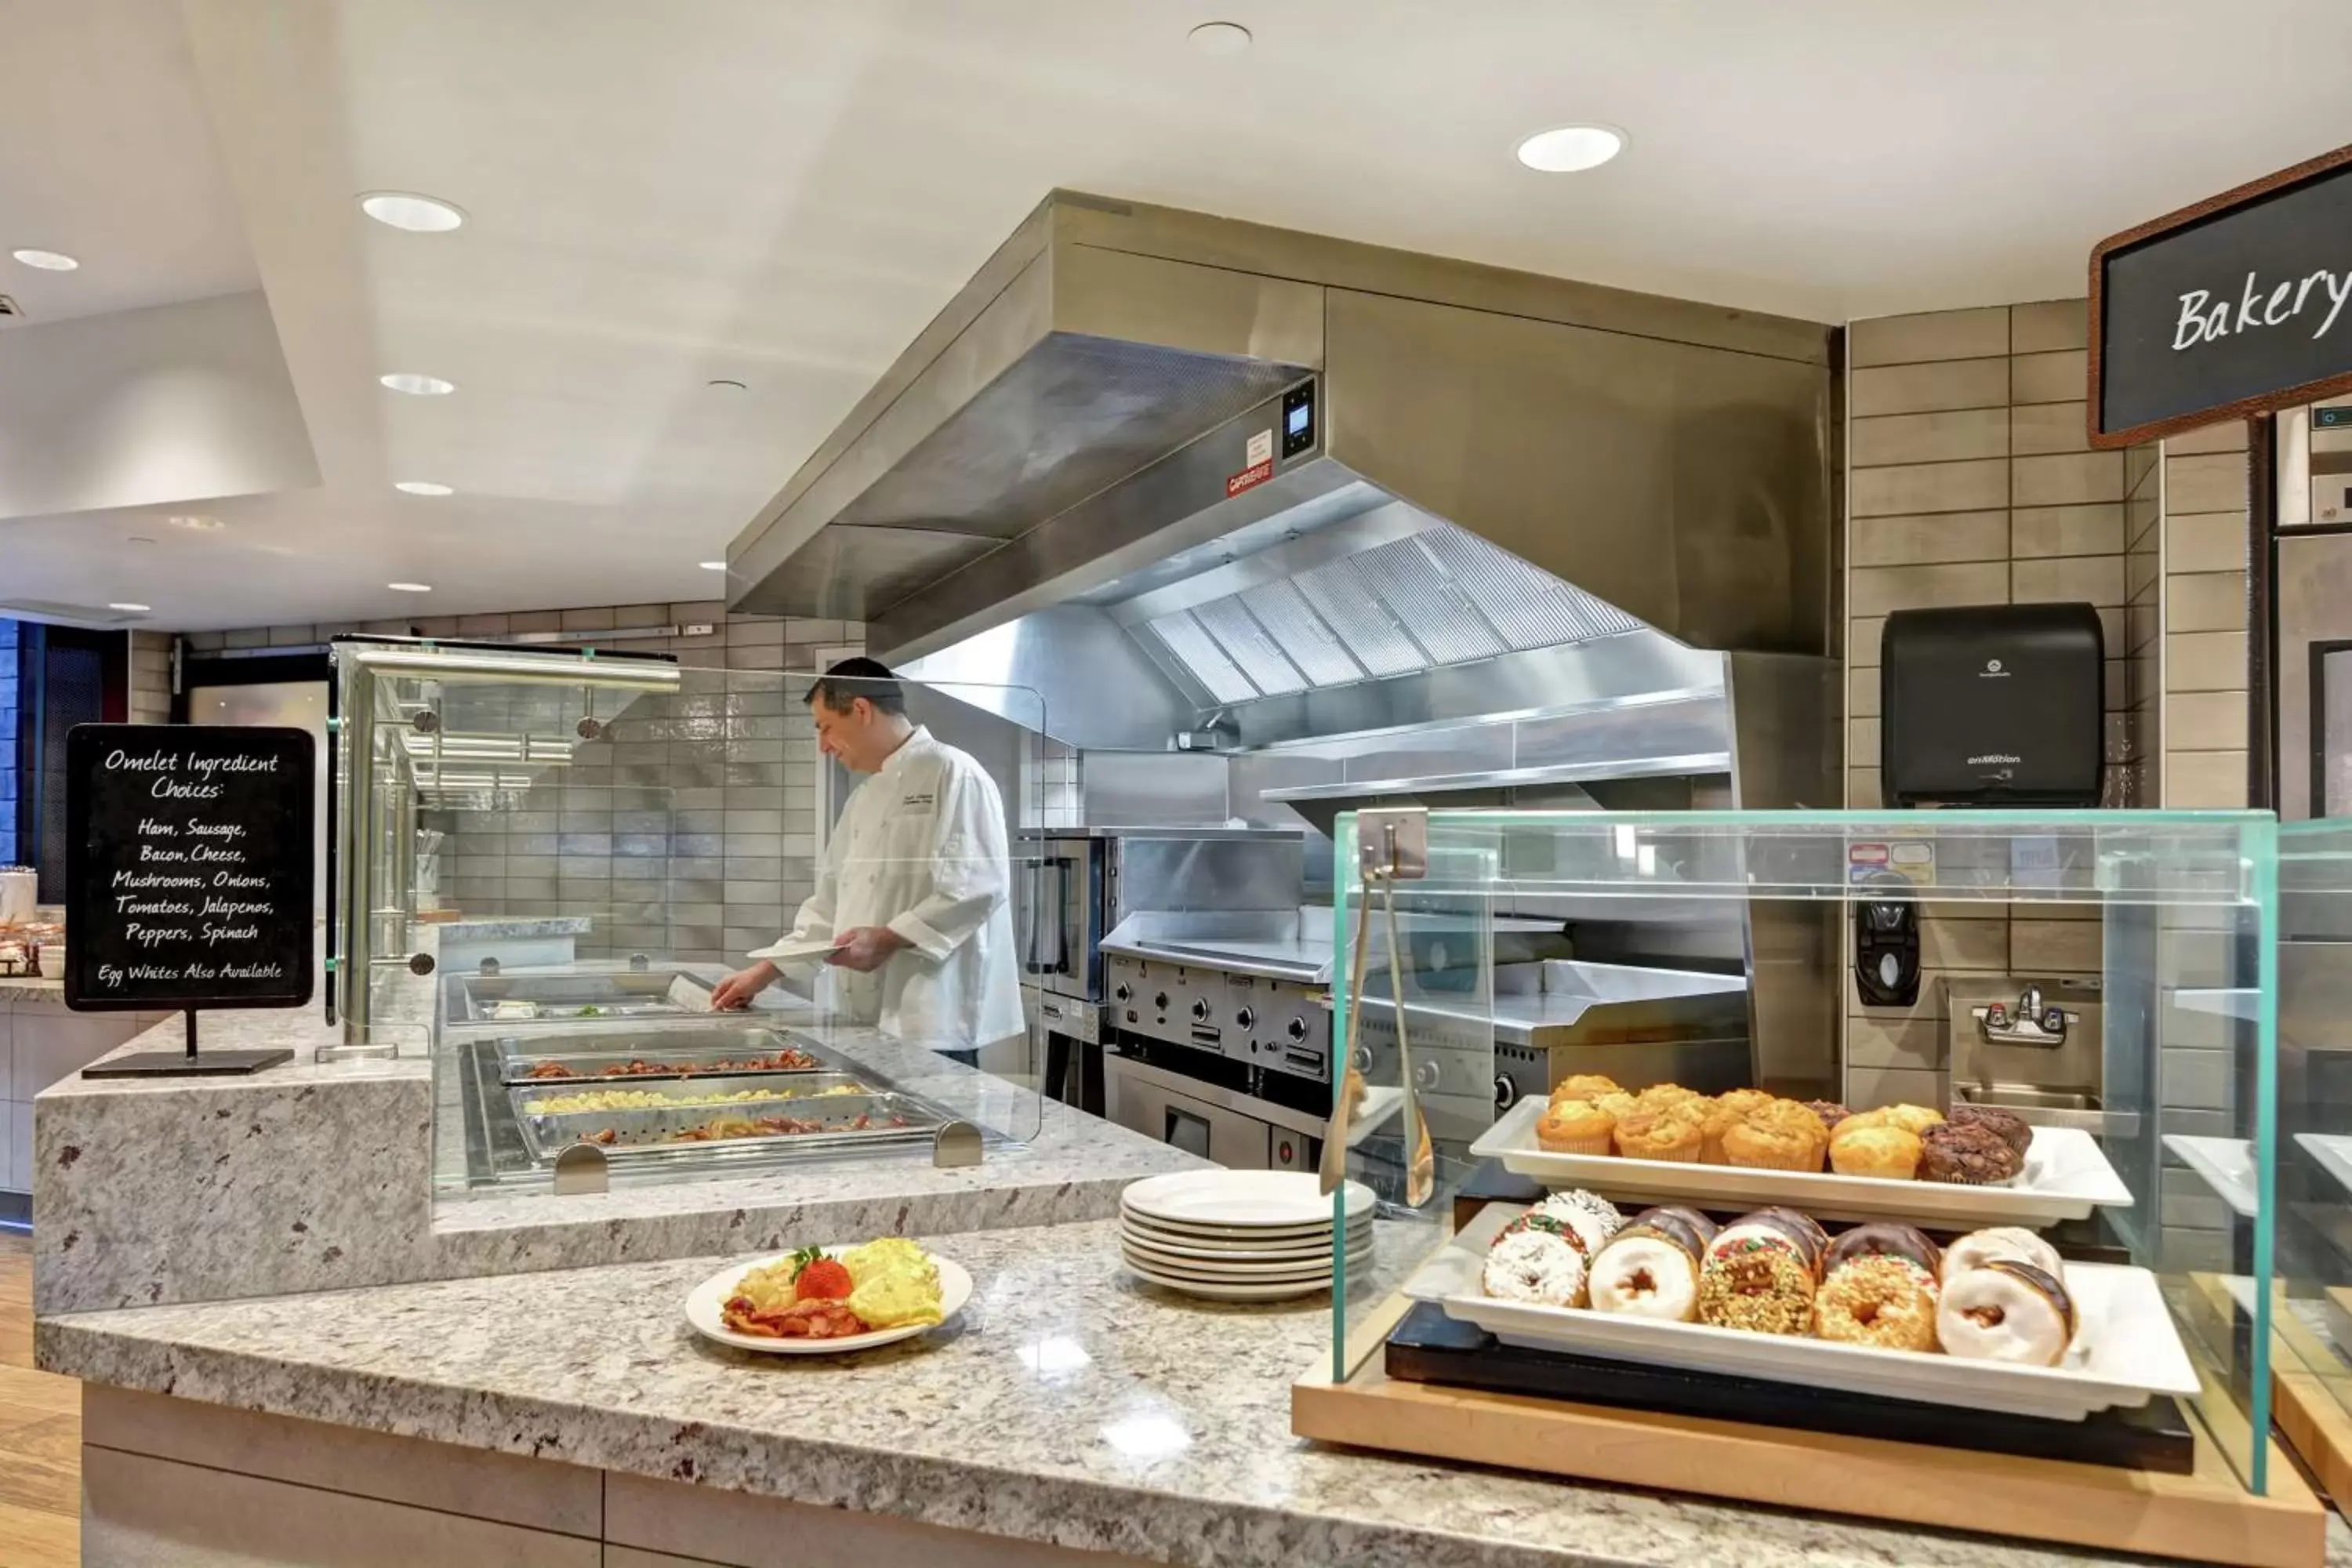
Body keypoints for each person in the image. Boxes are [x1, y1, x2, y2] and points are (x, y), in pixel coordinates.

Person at [711, 658, 1024, 1065]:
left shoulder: (953, 771)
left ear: (860, 710)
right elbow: (829, 905)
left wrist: (888, 939)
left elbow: (977, 886)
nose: (823, 746)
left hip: (930, 1018)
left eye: (824, 727)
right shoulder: (862, 798)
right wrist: (764, 972)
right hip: (859, 1019)